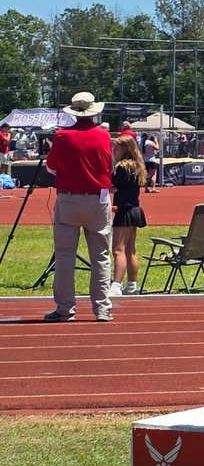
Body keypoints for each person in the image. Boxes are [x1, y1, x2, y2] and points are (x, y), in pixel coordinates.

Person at [43, 92, 115, 323]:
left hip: (69, 199)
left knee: (65, 256)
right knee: (101, 256)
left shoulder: (62, 136)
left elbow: (52, 168)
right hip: (98, 199)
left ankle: (65, 309)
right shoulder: (103, 135)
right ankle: (102, 308)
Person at [109, 134, 147, 296]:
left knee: (118, 250)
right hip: (135, 209)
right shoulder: (137, 166)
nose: (114, 150)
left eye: (117, 147)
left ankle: (116, 285)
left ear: (125, 149)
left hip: (125, 210)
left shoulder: (122, 167)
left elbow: (111, 184)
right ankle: (131, 284)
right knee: (130, 250)